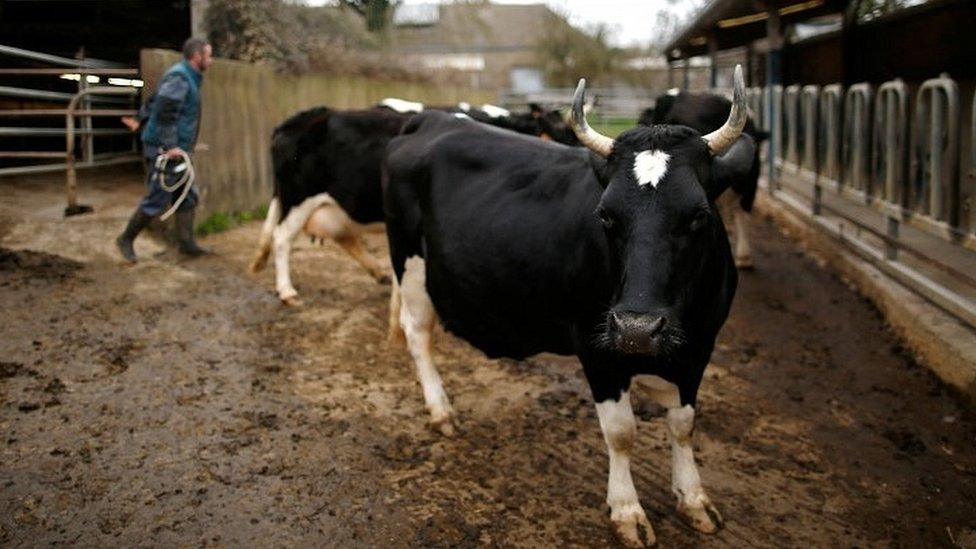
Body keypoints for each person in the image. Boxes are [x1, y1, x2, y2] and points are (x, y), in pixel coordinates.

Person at [116, 37, 213, 263]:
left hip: (178, 149)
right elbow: (165, 113)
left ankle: (187, 244)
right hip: (166, 150)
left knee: (187, 195)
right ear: (197, 57)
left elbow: (153, 102)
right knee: (157, 198)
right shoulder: (180, 77)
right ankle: (125, 239)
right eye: (209, 55)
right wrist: (171, 147)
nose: (212, 60)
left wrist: (139, 120)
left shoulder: (186, 77)